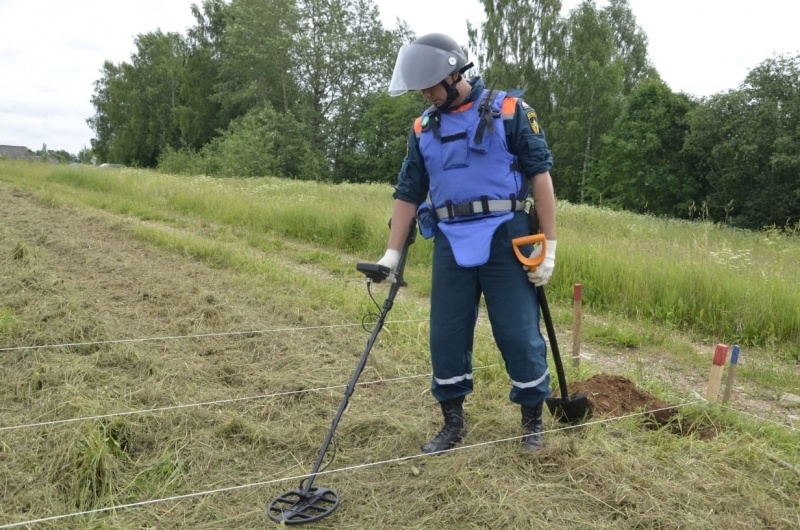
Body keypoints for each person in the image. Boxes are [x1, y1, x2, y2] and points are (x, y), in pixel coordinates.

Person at [373, 33, 557, 453]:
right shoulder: (422, 129)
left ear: (454, 74)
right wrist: (391, 253)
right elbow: (408, 193)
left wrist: (551, 244)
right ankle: (452, 423)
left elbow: (541, 177)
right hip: (450, 242)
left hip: (506, 237)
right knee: (446, 333)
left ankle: (532, 419)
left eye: (429, 86)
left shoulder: (511, 111)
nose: (424, 95)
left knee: (518, 331)